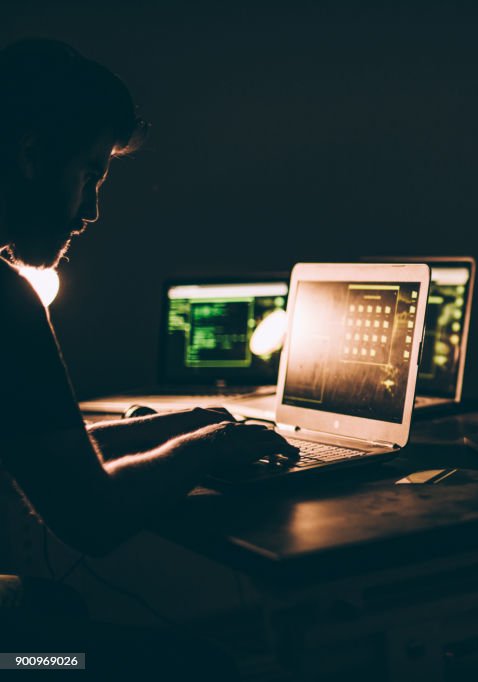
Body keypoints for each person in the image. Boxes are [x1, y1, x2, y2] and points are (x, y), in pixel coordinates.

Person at [0, 39, 295, 676]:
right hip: (11, 657)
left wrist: (183, 424)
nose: (90, 212)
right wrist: (212, 448)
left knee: (58, 608)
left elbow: (49, 456)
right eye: (87, 175)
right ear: (29, 155)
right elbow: (92, 519)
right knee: (191, 663)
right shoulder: (3, 303)